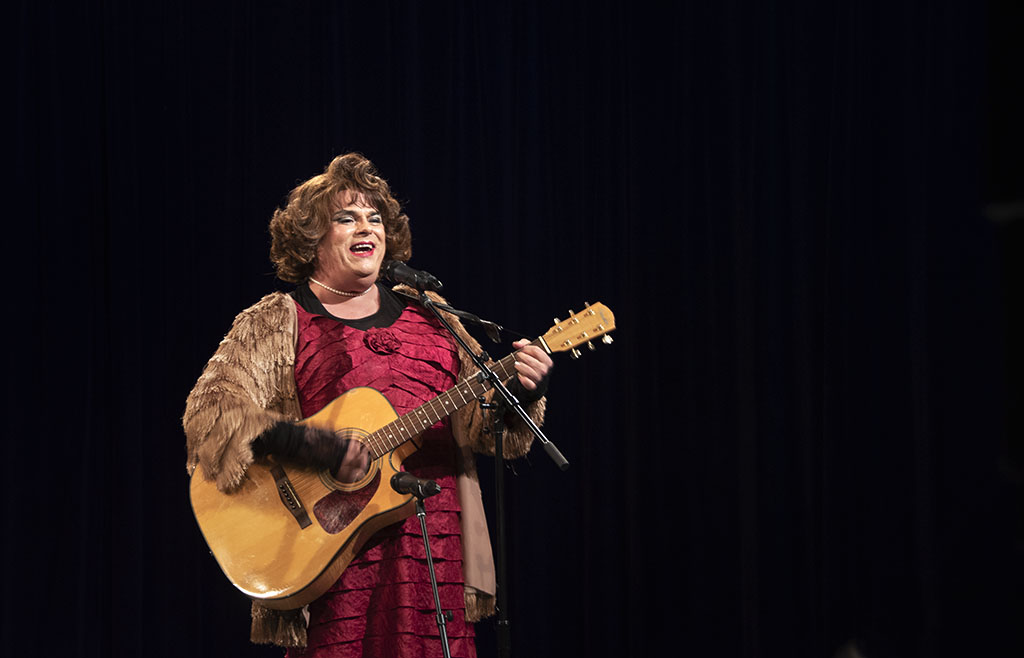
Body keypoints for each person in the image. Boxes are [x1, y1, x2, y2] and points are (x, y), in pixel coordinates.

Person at [183, 153, 551, 657]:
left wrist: (526, 389)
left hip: (434, 553)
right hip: (331, 554)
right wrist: (317, 447)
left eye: (375, 218)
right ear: (313, 238)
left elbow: (490, 429)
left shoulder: (434, 316)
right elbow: (211, 414)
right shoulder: (277, 320)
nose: (367, 228)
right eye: (346, 217)